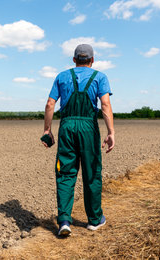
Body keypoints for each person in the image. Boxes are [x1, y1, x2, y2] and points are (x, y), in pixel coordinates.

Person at [42, 43, 115, 237]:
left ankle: (64, 221)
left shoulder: (62, 76)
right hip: (88, 129)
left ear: (74, 60)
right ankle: (94, 220)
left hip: (67, 127)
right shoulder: (100, 77)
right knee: (92, 173)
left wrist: (47, 130)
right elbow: (105, 105)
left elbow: (50, 104)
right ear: (92, 60)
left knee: (65, 173)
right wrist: (110, 132)